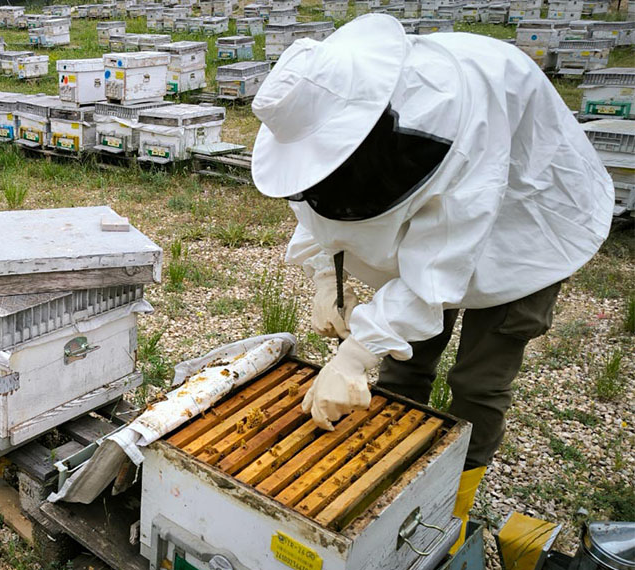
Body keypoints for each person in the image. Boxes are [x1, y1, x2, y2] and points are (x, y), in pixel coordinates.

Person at [248, 14, 614, 552]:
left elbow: (437, 271)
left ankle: (451, 508)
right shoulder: (330, 112)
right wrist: (328, 277)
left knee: (479, 382)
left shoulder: (457, 121)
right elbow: (316, 206)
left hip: (527, 224)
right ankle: (394, 480)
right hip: (454, 219)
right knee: (405, 361)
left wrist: (355, 352)